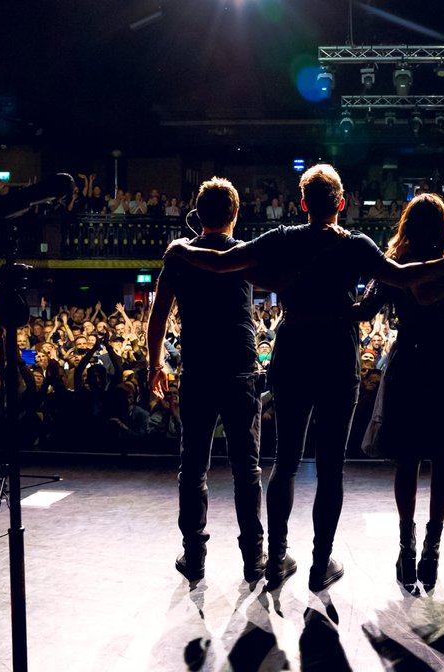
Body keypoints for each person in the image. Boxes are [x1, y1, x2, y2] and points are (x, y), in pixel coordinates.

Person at [164, 164, 444, 592]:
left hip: (294, 347)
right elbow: (405, 277)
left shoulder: (283, 239)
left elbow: (225, 261)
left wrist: (180, 251)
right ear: (341, 203)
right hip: (337, 353)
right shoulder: (356, 244)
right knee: (331, 467)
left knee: (285, 461)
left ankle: (277, 558)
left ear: (302, 203)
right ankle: (321, 564)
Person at [354, 193, 444, 592]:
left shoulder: (395, 264)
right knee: (443, 458)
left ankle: (406, 544)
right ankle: (433, 546)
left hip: (409, 359)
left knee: (406, 459)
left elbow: (364, 310)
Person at [146, 177, 266, 585]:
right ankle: (254, 558)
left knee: (193, 467)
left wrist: (154, 366)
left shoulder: (179, 255)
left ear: (199, 214)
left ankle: (193, 556)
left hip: (197, 370)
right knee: (246, 467)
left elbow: (158, 316)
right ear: (235, 214)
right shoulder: (248, 253)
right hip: (238, 369)